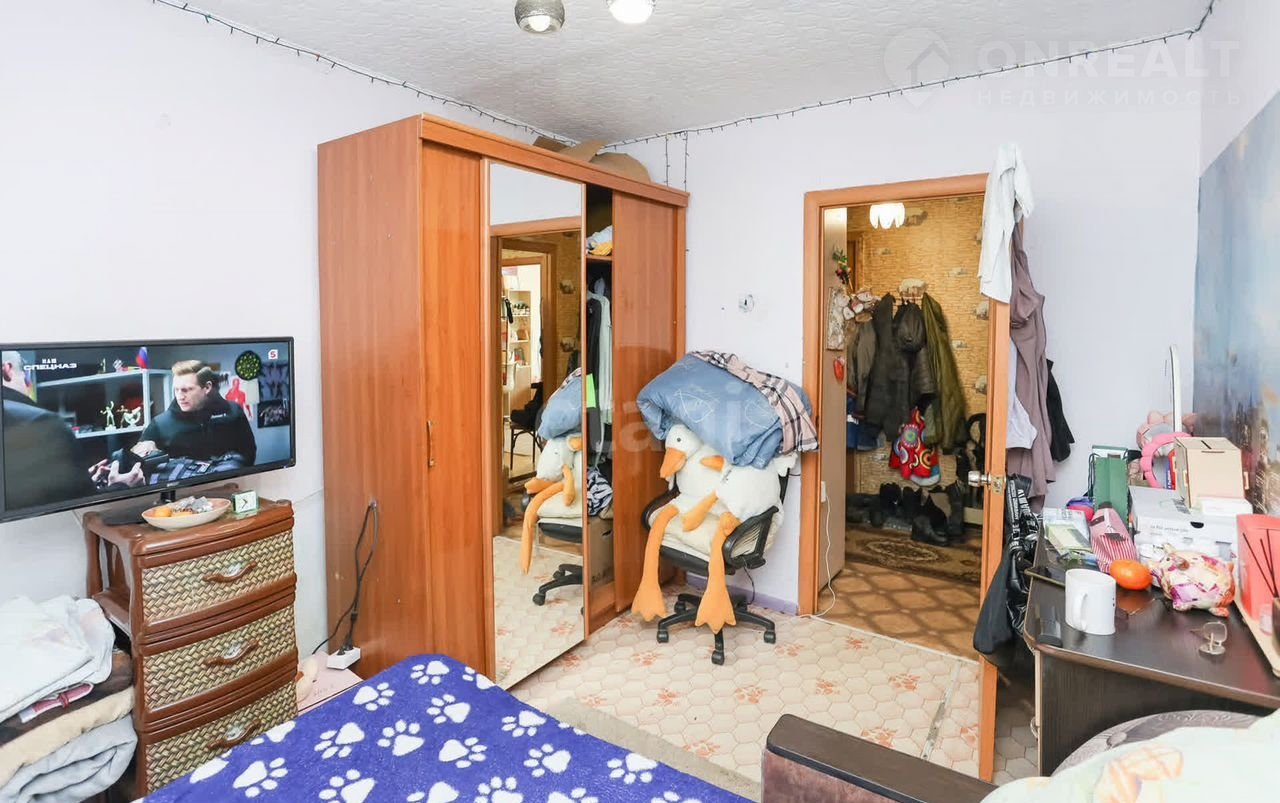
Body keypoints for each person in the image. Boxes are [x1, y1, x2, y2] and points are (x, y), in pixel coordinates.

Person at [1, 351, 98, 508]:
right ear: (7, 369)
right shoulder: (41, 422)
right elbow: (86, 506)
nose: (27, 383)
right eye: (25, 375)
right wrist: (120, 486)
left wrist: (79, 478)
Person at [134, 360, 258, 465]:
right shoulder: (160, 424)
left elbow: (249, 454)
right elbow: (137, 463)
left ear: (207, 387)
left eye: (187, 390)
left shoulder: (233, 412)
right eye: (176, 390)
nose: (180, 396)